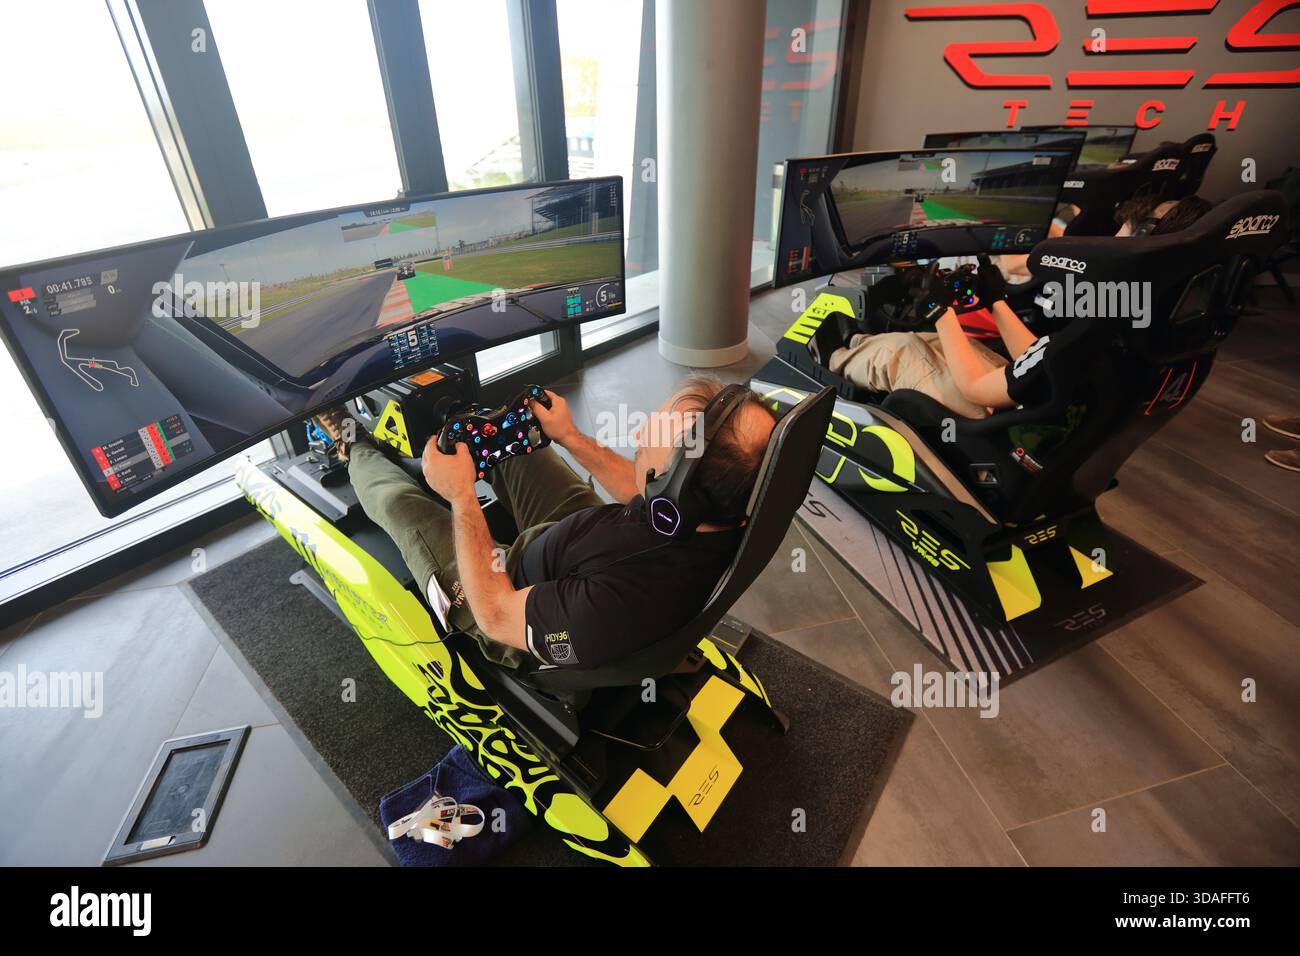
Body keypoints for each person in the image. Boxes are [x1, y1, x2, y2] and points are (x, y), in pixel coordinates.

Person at [313, 376, 776, 670]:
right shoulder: (722, 511)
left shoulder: (605, 613)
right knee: (518, 446)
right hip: (581, 542)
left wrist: (461, 496)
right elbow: (640, 489)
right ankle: (454, 433)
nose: (637, 436)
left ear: (679, 491)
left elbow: (495, 614)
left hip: (507, 593)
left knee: (398, 503)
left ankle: (353, 445)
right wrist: (569, 437)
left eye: (650, 437)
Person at [810, 196, 1213, 419]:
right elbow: (1043, 360)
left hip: (1005, 423)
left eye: (1124, 235)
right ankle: (859, 342)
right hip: (1051, 410)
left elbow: (975, 388)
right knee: (928, 341)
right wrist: (998, 301)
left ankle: (830, 360)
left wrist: (941, 310)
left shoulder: (1100, 324)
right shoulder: (1156, 317)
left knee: (904, 351)